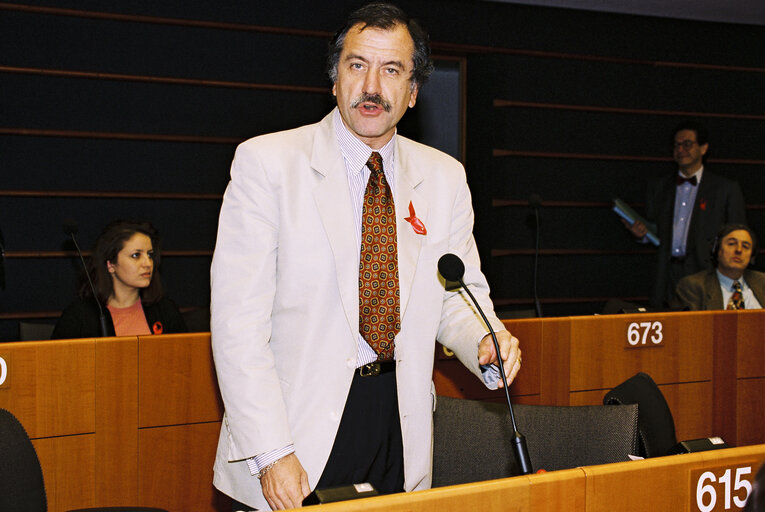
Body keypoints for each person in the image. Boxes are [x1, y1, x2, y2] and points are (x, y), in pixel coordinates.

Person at [210, 3, 521, 510]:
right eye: (357, 66)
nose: (371, 86)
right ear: (334, 79)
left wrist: (485, 341)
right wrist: (272, 452)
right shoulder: (268, 164)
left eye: (392, 70)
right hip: (296, 430)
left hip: (398, 425)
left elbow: (457, 298)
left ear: (414, 91)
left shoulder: (444, 178)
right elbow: (237, 328)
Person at [623, 120, 746, 308]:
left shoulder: (725, 189)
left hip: (705, 273)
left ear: (704, 148)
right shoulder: (658, 187)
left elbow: (738, 235)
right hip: (666, 274)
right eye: (676, 145)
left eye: (687, 144)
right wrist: (641, 235)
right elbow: (654, 230)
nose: (681, 149)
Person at [52, 219, 186, 338]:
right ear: (110, 265)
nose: (147, 263)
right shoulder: (79, 317)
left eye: (150, 255)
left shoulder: (166, 311)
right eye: (136, 255)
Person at [670, 224, 765, 310]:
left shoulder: (762, 282)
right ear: (717, 250)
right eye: (731, 244)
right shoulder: (694, 287)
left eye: (745, 246)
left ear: (752, 255)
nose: (739, 250)